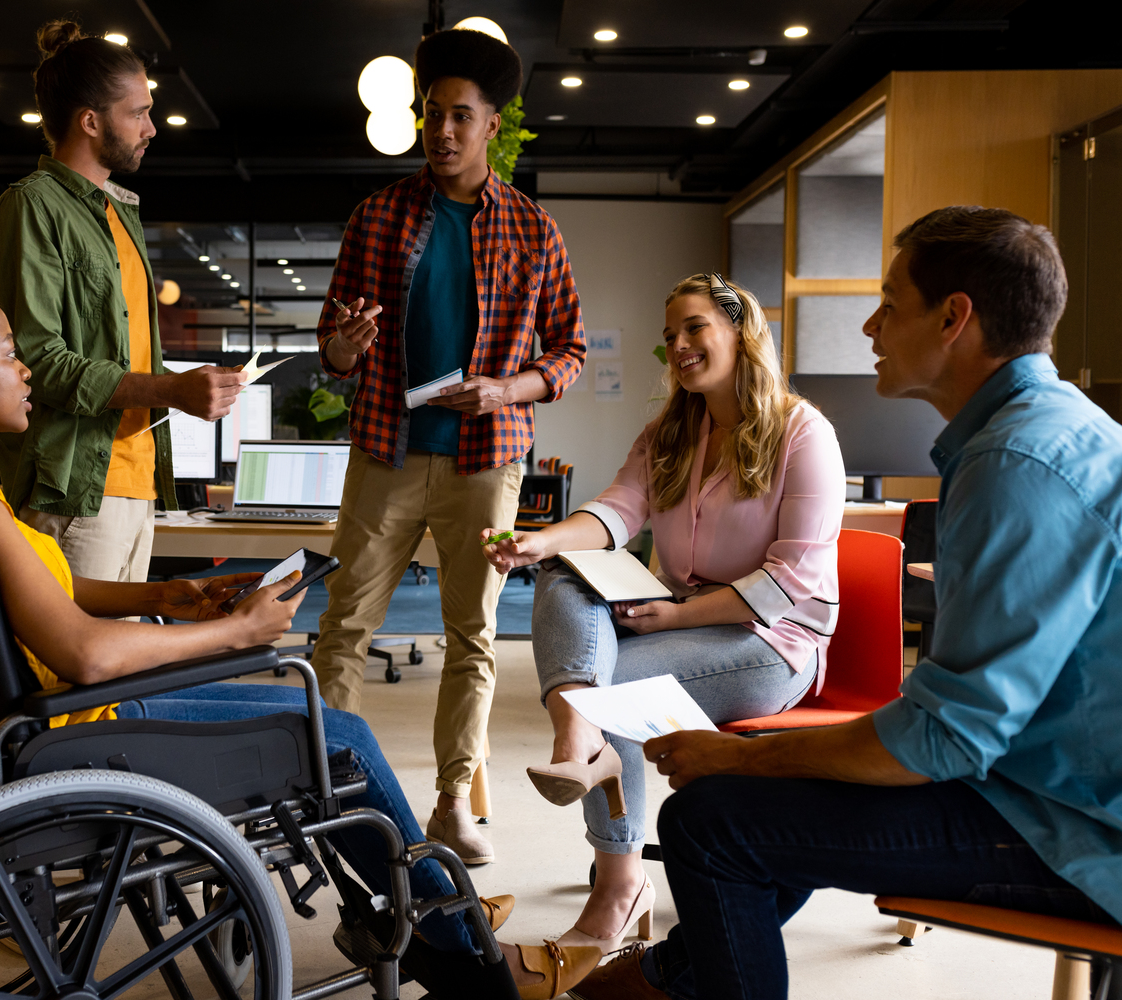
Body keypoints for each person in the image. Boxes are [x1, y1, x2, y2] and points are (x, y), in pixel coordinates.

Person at [0, 277, 604, 1000]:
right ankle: (467, 959)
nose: (26, 371)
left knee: (319, 725)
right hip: (78, 735)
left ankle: (432, 919)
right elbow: (84, 652)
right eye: (10, 354)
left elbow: (42, 591)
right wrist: (233, 631)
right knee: (343, 739)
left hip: (28, 731)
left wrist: (172, 596)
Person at [569, 206, 1122, 1000]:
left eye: (889, 303)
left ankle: (667, 978)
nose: (869, 325)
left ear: (953, 317)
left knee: (710, 821)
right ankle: (670, 977)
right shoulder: (1049, 429)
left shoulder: (1011, 463)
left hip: (1067, 825)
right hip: (1043, 781)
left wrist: (740, 754)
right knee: (761, 810)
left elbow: (941, 741)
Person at [483, 274, 844, 960]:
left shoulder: (802, 432)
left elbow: (790, 581)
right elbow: (616, 511)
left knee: (609, 693)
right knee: (561, 575)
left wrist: (671, 619)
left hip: (769, 640)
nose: (677, 345)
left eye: (694, 328)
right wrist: (541, 541)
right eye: (669, 336)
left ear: (740, 331)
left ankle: (617, 886)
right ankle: (576, 741)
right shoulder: (670, 432)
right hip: (679, 616)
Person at [315, 27, 586, 867]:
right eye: (430, 115)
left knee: (471, 634)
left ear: (491, 125)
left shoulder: (533, 229)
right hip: (384, 449)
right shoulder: (378, 215)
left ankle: (448, 804)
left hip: (487, 456)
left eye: (458, 117)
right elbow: (331, 346)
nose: (441, 132)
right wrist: (345, 348)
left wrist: (508, 387)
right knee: (342, 627)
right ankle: (326, 789)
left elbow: (568, 352)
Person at [0, 20, 245, 585]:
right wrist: (171, 388)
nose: (151, 127)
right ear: (90, 121)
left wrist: (181, 386)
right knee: (71, 667)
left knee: (116, 667)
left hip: (134, 480)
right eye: (138, 112)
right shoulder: (32, 207)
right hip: (72, 485)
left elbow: (119, 356)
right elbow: (36, 360)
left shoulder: (118, 212)